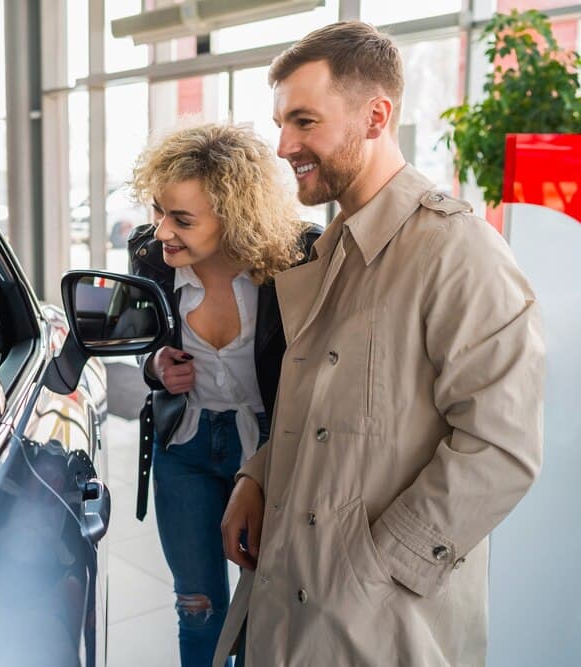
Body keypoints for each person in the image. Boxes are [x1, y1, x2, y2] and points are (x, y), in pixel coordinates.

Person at [215, 22, 545, 667]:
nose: (284, 145)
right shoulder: (328, 250)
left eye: (304, 121)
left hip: (381, 625)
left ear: (375, 116)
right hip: (291, 602)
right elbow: (320, 409)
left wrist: (377, 571)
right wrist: (258, 477)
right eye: (282, 122)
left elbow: (502, 447)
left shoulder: (458, 251)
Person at [127, 122, 318, 667]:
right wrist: (155, 364)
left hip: (265, 446)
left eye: (182, 219)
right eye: (159, 210)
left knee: (264, 600)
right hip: (182, 446)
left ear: (234, 216)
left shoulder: (296, 259)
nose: (162, 231)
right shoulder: (148, 257)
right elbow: (139, 335)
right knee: (198, 605)